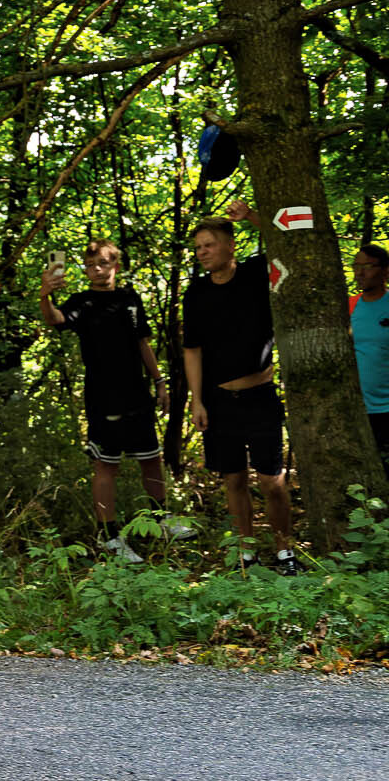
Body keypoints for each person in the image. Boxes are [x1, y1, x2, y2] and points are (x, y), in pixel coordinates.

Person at [40, 240, 183, 561]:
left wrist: (160, 382)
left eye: (103, 263)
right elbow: (55, 319)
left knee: (151, 458)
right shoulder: (82, 302)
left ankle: (161, 520)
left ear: (115, 265)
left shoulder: (130, 298)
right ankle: (109, 536)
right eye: (91, 265)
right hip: (103, 396)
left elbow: (143, 342)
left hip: (137, 393)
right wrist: (45, 294)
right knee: (106, 465)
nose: (97, 270)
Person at [183, 201, 297, 572]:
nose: (202, 252)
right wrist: (197, 401)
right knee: (233, 479)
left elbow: (285, 243)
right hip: (218, 401)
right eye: (198, 247)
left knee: (271, 481)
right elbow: (192, 349)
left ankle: (285, 551)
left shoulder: (253, 273)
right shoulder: (196, 292)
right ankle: (246, 554)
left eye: (209, 245)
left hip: (259, 396)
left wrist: (250, 216)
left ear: (230, 245)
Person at [351, 242, 389, 474]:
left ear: (385, 271)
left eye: (367, 266)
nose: (360, 272)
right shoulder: (349, 307)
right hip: (357, 411)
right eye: (356, 266)